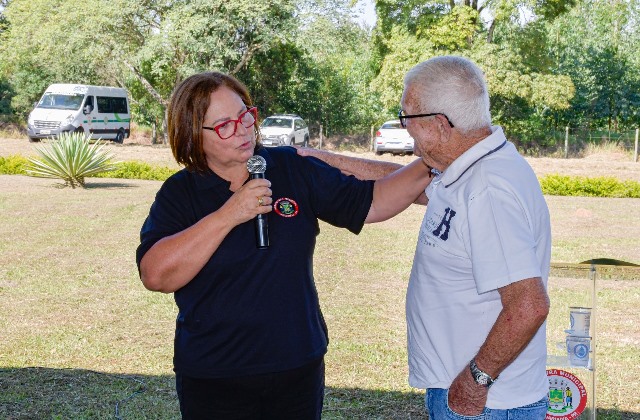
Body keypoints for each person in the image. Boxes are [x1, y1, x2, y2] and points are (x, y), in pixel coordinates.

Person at [135, 71, 433, 419]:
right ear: (192, 134)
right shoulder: (180, 193)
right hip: (215, 374)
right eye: (225, 126)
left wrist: (434, 160)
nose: (243, 130)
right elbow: (156, 275)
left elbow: (374, 202)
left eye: (246, 116)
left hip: (296, 366)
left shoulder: (290, 168)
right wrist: (229, 214)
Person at [297, 56, 551, 419]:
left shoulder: (487, 189)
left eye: (406, 117)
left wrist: (476, 379)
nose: (405, 128)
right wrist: (314, 160)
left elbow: (529, 304)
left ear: (440, 125)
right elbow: (399, 183)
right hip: (470, 393)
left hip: (487, 403)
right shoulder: (466, 165)